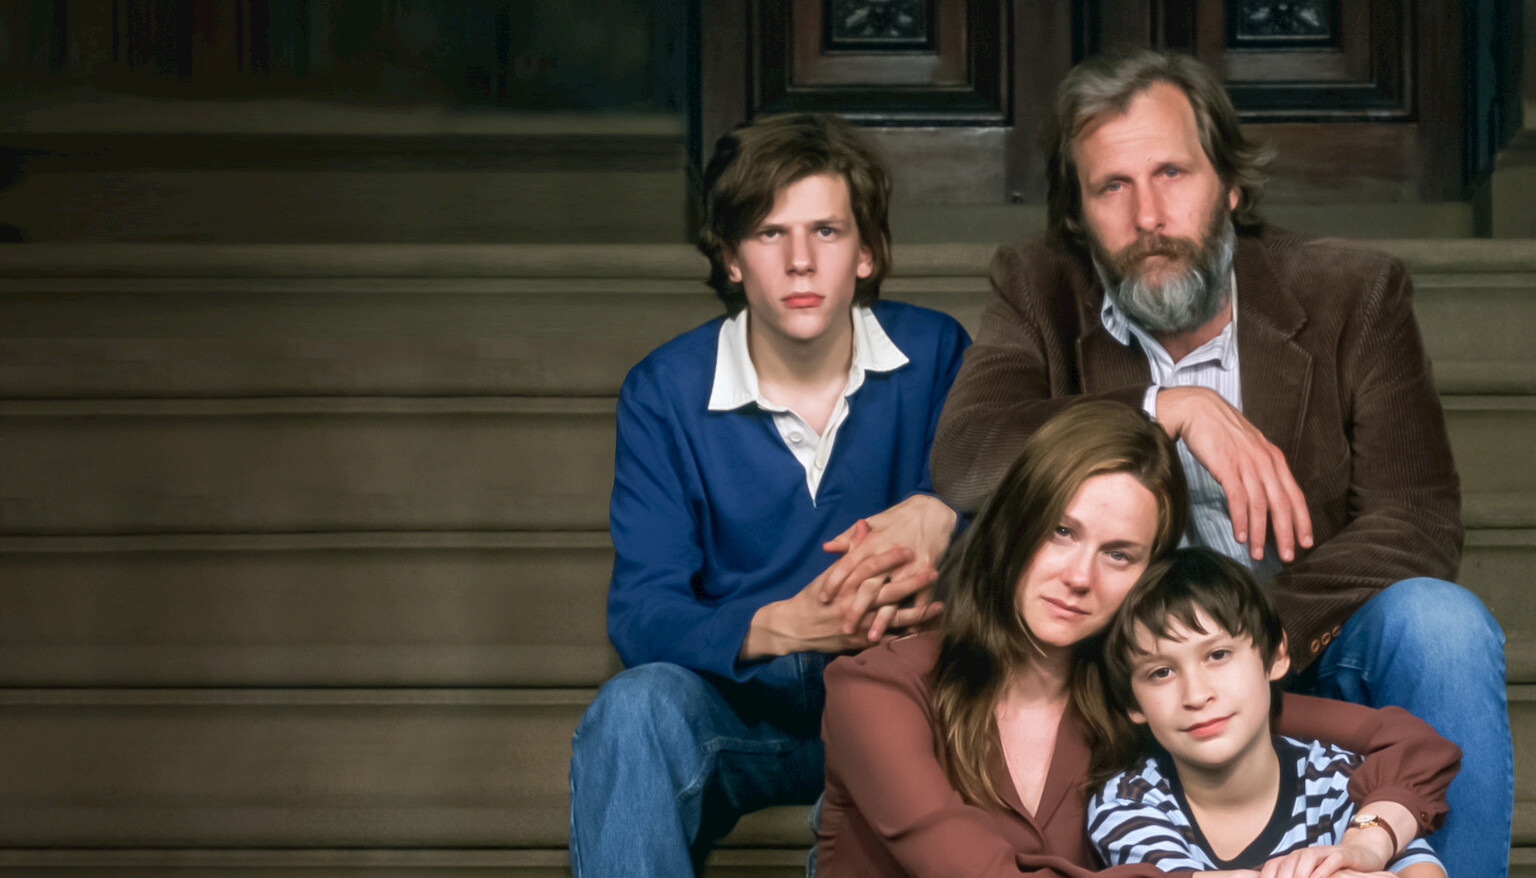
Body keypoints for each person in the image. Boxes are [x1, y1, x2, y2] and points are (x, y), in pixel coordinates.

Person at [925, 49, 1509, 877]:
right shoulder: (1038, 286)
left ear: (1230, 184)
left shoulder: (1353, 292)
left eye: (1172, 173)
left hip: (1303, 649)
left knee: (1442, 625)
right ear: (1079, 214)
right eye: (1111, 187)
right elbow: (967, 456)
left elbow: (1416, 520)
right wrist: (1165, 408)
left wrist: (1249, 639)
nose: (1148, 214)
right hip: (1136, 679)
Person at [566, 113, 971, 876]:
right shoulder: (664, 392)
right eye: (768, 234)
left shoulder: (936, 354)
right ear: (729, 259)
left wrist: (944, 511)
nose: (799, 262)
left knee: (930, 720)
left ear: (867, 252)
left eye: (826, 231)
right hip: (739, 710)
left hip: (899, 705)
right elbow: (642, 612)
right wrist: (779, 626)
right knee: (631, 710)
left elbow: (1015, 508)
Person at [817, 401, 1460, 877]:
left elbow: (1407, 744)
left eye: (1119, 554)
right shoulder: (877, 689)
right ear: (1014, 522)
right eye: (1061, 532)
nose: (1079, 577)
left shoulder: (1147, 693)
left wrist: (1369, 840)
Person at [1091, 548, 1450, 877]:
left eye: (1218, 655)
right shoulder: (1129, 801)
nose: (1196, 695)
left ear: (1276, 655)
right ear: (1132, 702)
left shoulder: (1340, 778)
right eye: (1161, 672)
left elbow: (1423, 873)